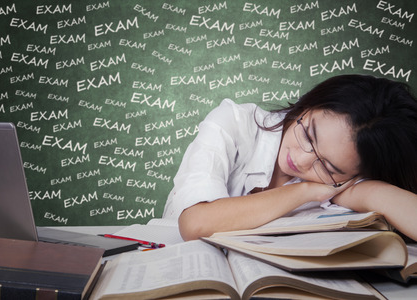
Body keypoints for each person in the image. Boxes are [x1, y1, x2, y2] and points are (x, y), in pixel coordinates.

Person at [162, 74, 417, 241]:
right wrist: (304, 191)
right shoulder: (233, 123)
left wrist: (367, 191)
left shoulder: (342, 179)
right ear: (308, 104)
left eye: (326, 166)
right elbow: (196, 224)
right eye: (308, 135)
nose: (303, 160)